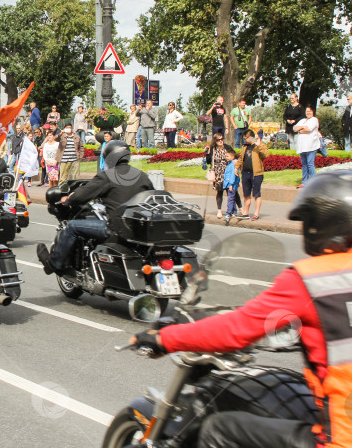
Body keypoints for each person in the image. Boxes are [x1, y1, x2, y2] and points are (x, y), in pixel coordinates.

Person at [129, 170, 352, 448]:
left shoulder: (312, 278)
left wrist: (164, 338)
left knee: (219, 428)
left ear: (322, 225)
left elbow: (236, 330)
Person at [36, 141, 154, 275]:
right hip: (138, 229)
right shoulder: (142, 176)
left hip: (115, 229)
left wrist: (68, 199)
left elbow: (82, 196)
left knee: (72, 227)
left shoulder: (108, 176)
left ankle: (53, 264)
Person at [204, 133, 242, 218]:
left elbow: (234, 156)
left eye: (222, 139)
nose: (220, 141)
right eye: (218, 140)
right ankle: (219, 211)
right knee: (219, 192)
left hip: (228, 172)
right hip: (218, 173)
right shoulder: (213, 149)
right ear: (215, 141)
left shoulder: (227, 147)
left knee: (233, 192)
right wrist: (208, 153)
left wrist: (235, 161)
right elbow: (209, 161)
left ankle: (240, 208)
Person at [236, 129, 269, 220]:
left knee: (256, 194)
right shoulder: (245, 146)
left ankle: (256, 213)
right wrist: (236, 167)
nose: (245, 140)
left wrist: (259, 145)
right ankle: (245, 213)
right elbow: (241, 158)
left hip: (256, 174)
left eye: (246, 138)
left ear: (251, 137)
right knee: (246, 194)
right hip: (246, 173)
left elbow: (266, 155)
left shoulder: (260, 145)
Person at [294, 106, 320, 188]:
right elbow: (294, 128)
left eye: (310, 111)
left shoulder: (314, 120)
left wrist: (300, 130)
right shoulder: (303, 120)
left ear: (313, 112)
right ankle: (304, 182)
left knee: (310, 164)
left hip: (311, 146)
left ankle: (312, 183)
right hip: (302, 146)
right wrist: (302, 127)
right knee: (304, 164)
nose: (308, 112)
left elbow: (308, 130)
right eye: (307, 111)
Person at [222, 147, 239, 224]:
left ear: (233, 157)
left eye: (228, 156)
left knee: (230, 199)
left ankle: (228, 214)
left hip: (231, 185)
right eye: (226, 156)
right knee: (232, 198)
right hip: (228, 184)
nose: (226, 158)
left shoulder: (233, 164)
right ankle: (234, 212)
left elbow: (233, 175)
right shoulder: (229, 164)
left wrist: (231, 184)